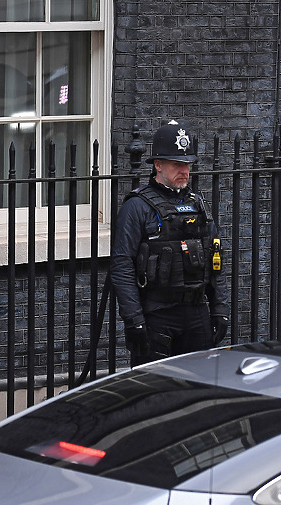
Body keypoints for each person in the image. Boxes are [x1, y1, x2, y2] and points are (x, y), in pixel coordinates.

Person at [112, 120, 229, 367]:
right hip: (157, 314)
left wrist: (219, 309)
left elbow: (215, 260)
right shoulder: (137, 207)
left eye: (187, 164)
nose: (184, 171)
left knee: (199, 390)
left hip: (196, 312)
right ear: (158, 165)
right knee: (155, 392)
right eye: (177, 164)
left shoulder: (198, 204)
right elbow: (122, 266)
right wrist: (134, 320)